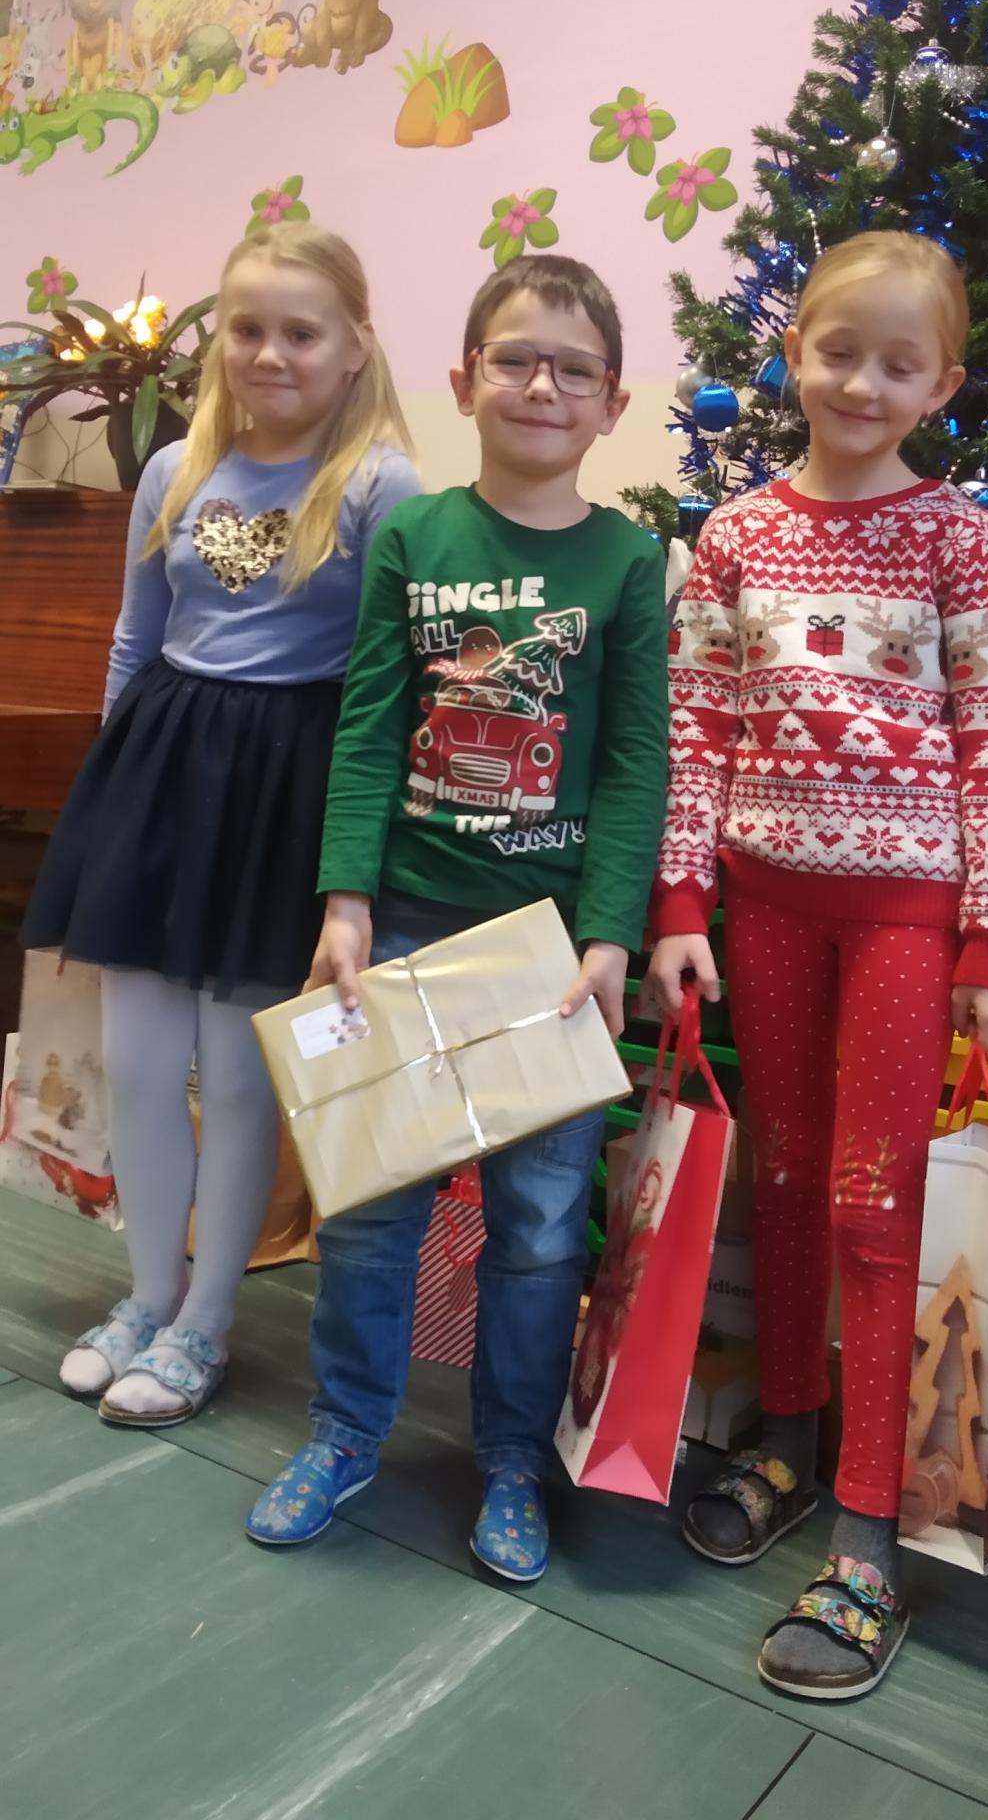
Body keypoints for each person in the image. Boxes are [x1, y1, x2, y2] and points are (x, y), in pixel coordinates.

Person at [648, 231, 988, 1699]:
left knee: (875, 1209)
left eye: (897, 363)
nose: (862, 384)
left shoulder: (958, 539)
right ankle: (794, 1444)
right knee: (787, 1179)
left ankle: (869, 1530)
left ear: (942, 384)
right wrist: (680, 902)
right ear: (792, 354)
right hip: (762, 906)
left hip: (901, 923)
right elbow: (697, 725)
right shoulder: (738, 534)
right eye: (838, 352)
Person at [246, 254, 669, 1579]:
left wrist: (611, 934)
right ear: (463, 380)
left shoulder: (627, 561)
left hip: (550, 951)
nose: (543, 385)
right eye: (515, 359)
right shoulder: (416, 538)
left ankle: (511, 1462)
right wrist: (346, 901)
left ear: (612, 403)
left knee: (539, 1229)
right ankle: (345, 1431)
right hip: (405, 928)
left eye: (575, 369)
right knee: (369, 1208)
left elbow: (634, 762)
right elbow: (371, 726)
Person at [22, 222, 420, 1427]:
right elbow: (135, 639)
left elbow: (384, 682)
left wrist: (353, 856)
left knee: (241, 1080)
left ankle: (205, 1321)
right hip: (162, 774)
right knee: (142, 1063)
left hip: (286, 790)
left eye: (300, 332)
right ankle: (149, 1290)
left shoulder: (381, 485)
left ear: (354, 345)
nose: (270, 353)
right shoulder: (174, 470)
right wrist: (110, 799)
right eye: (248, 329)